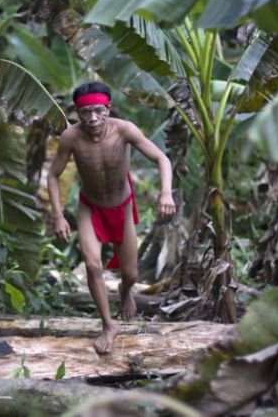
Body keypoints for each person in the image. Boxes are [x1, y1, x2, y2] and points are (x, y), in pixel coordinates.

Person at [47, 82, 176, 354]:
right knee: (93, 265)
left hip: (122, 207)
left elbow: (162, 158)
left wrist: (166, 193)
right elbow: (53, 175)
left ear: (108, 108)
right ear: (77, 114)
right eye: (85, 113)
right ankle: (108, 325)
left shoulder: (125, 130)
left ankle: (125, 292)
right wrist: (58, 215)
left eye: (98, 111)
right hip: (90, 207)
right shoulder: (71, 137)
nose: (92, 118)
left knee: (131, 273)